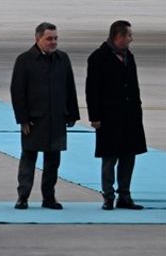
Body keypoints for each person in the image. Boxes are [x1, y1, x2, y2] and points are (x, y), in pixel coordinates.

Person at [10, 22, 79, 210]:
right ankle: (23, 196)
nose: (53, 42)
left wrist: (72, 113)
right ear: (37, 38)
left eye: (55, 38)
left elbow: (69, 87)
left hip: (56, 118)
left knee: (53, 162)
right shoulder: (24, 60)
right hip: (34, 120)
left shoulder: (62, 59)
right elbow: (17, 92)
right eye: (49, 39)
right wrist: (22, 119)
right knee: (28, 159)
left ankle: (49, 197)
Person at [86, 20, 146, 210]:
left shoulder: (129, 56)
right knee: (109, 158)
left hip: (129, 117)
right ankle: (108, 196)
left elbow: (134, 87)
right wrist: (94, 117)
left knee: (128, 157)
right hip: (109, 118)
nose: (131, 39)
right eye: (129, 35)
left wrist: (138, 111)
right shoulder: (98, 58)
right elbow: (92, 90)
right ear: (119, 37)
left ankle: (125, 196)